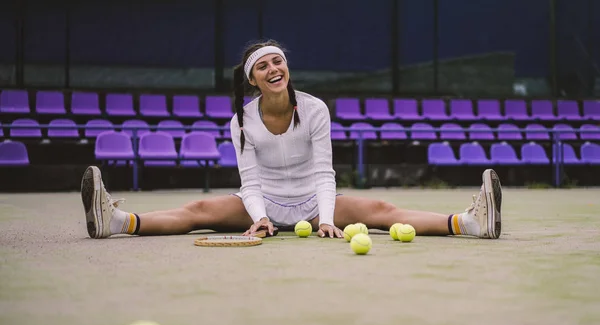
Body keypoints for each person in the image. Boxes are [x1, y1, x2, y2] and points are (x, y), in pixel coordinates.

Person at [80, 39, 502, 240]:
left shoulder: (315, 109)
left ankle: (470, 223)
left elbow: (324, 172)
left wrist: (325, 219)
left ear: (287, 67)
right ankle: (115, 222)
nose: (273, 69)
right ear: (253, 80)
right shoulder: (241, 120)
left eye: (277, 61)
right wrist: (261, 218)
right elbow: (250, 182)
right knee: (199, 209)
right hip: (264, 200)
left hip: (314, 199)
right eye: (262, 67)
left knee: (380, 208)